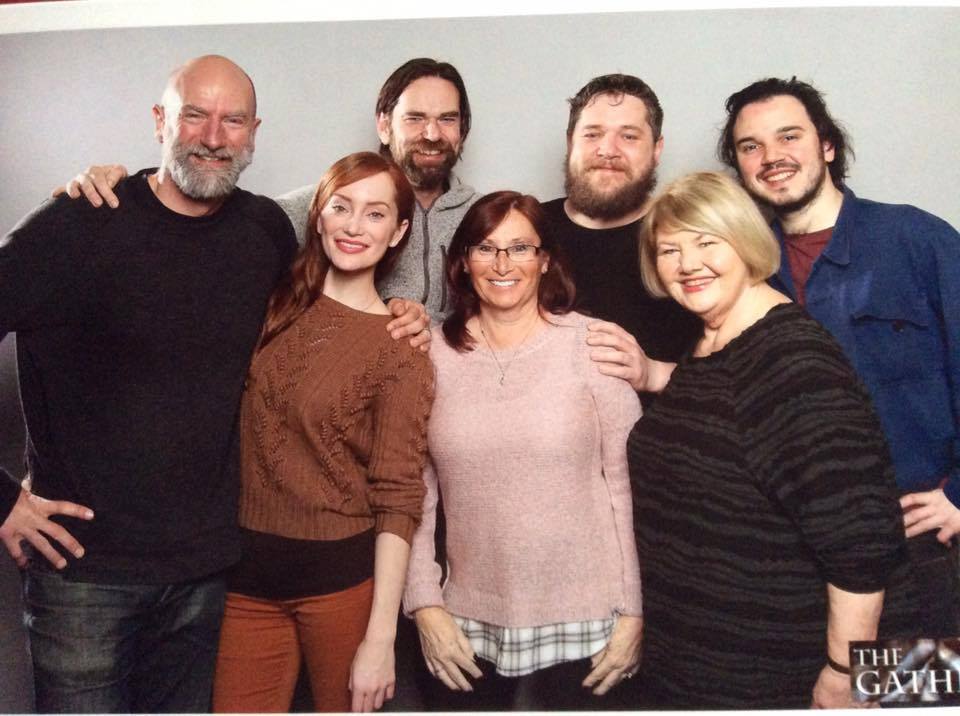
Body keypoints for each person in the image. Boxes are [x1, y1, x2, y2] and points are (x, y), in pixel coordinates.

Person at [0, 55, 299, 712]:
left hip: (206, 576)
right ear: (161, 120)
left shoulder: (266, 231)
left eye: (233, 121)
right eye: (194, 115)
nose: (213, 138)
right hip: (84, 580)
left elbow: (342, 253)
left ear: (254, 133)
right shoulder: (79, 222)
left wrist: (404, 314)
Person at [628, 171, 913, 709]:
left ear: (744, 241)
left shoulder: (794, 357)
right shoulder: (713, 342)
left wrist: (844, 671)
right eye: (669, 250)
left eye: (707, 242)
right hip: (696, 666)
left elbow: (861, 541)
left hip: (780, 675)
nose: (688, 264)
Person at [718, 77, 960, 636]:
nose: (771, 157)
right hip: (802, 560)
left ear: (827, 145)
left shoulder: (915, 239)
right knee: (830, 681)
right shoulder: (747, 271)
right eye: (751, 146)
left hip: (921, 551)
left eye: (789, 136)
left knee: (914, 684)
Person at [211, 151, 433, 713]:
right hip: (245, 580)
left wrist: (381, 640)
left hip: (340, 586)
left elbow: (399, 496)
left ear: (398, 232)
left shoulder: (400, 347)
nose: (355, 226)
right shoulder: (268, 303)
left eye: (375, 214)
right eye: (341, 207)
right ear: (317, 214)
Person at [403, 191, 643, 711]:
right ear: (463, 261)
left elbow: (629, 491)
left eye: (520, 248)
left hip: (590, 618)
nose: (502, 264)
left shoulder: (594, 345)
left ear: (545, 259)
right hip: (466, 618)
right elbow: (411, 493)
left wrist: (635, 612)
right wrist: (424, 603)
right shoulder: (429, 356)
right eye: (486, 249)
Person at [58, 57, 479, 325]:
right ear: (384, 125)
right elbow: (206, 216)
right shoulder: (322, 205)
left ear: (462, 131)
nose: (431, 134)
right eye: (415, 118)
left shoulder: (486, 219)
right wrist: (121, 192)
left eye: (447, 119)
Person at [544, 74, 701, 388]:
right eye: (592, 134)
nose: (608, 150)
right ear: (571, 142)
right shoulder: (528, 228)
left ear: (657, 149)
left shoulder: (692, 235)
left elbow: (742, 368)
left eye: (628, 136)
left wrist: (654, 373)